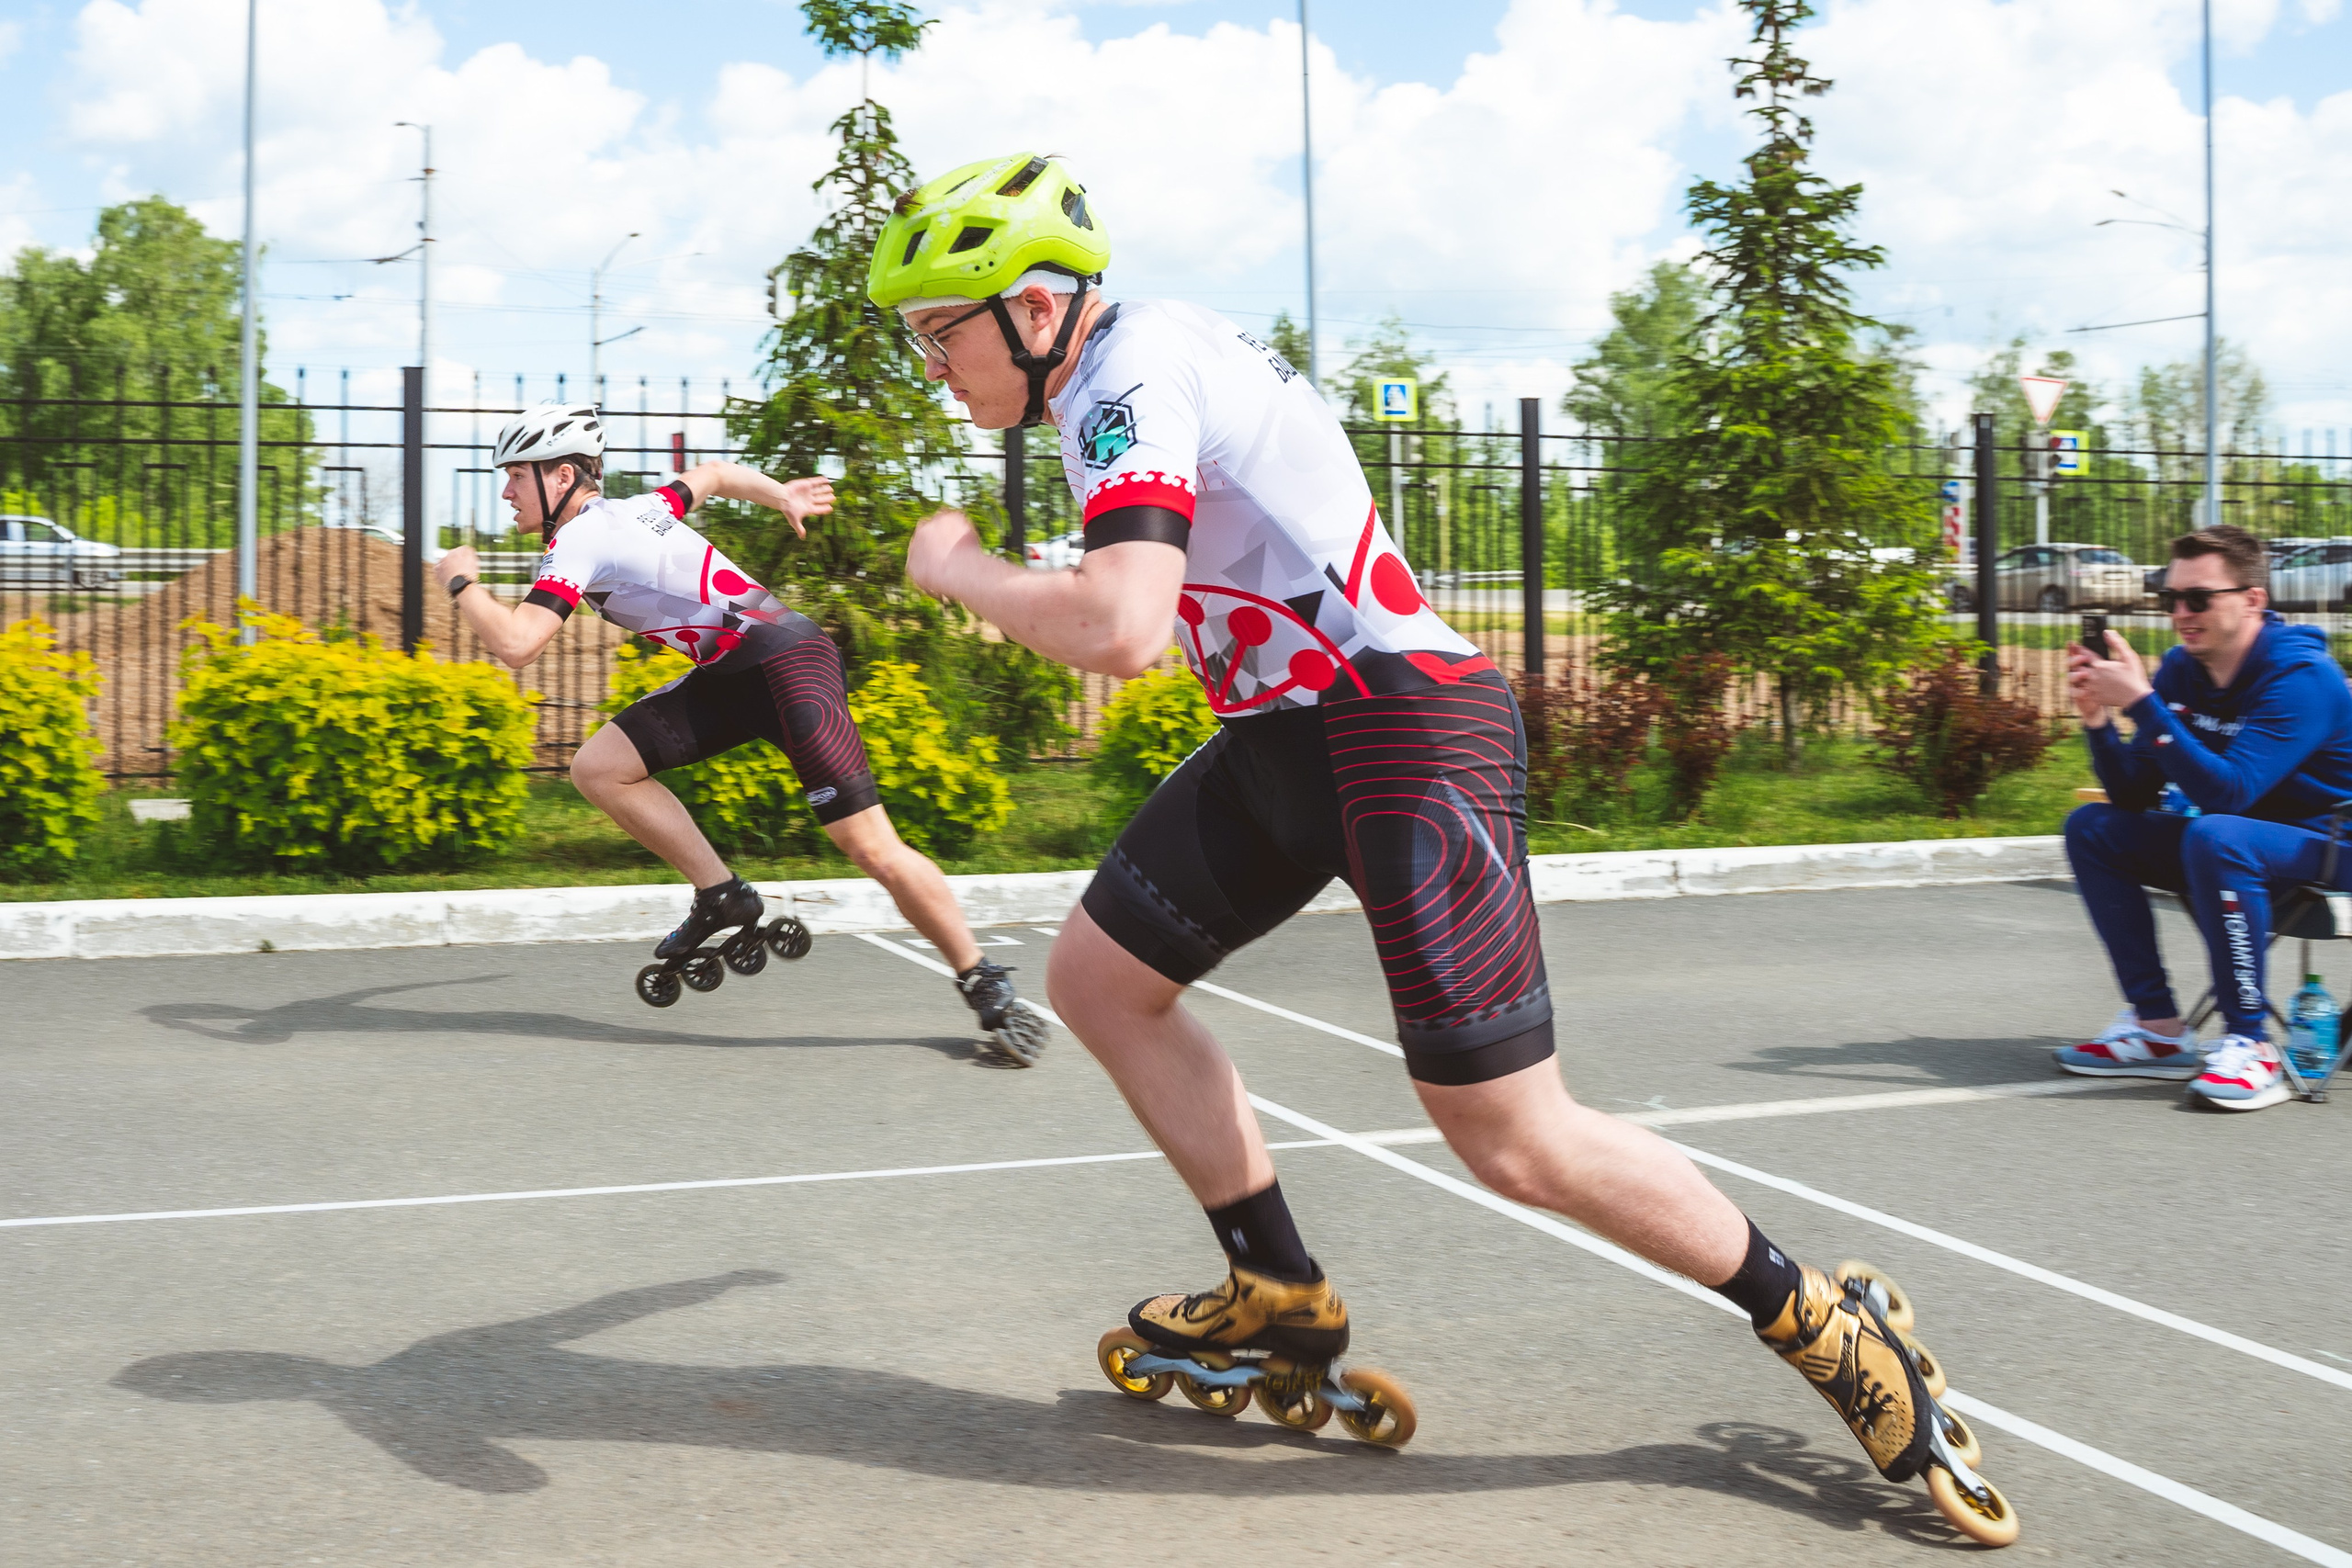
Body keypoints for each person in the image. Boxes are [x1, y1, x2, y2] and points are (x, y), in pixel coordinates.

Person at [868, 152, 2016, 1544]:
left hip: (1404, 727)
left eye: (941, 331)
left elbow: (1119, 625)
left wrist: (961, 571)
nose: (933, 365)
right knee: (1102, 982)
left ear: (1038, 307)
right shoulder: (1122, 371)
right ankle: (1276, 1288)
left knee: (1512, 1136)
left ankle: (1822, 1323)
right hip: (1287, 738)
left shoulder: (1129, 373)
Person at [428, 402, 1047, 1064]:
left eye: (515, 475)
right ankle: (722, 894)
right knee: (600, 768)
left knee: (870, 846)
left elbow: (519, 643)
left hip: (789, 665)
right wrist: (780, 495)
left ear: (560, 477)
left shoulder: (584, 537)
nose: (506, 491)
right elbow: (716, 475)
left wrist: (461, 581)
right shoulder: (639, 509)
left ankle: (983, 978)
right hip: (729, 675)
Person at [2058, 524, 2352, 1109]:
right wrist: (2097, 721)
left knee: (2217, 834)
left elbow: (2229, 794)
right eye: (2170, 598)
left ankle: (2251, 1045)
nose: (2181, 614)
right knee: (2092, 829)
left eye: (2198, 598)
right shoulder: (2182, 670)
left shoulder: (2301, 677)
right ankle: (2158, 1030)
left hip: (2332, 848)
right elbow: (2132, 793)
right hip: (2242, 844)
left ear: (2253, 599)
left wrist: (2142, 704)